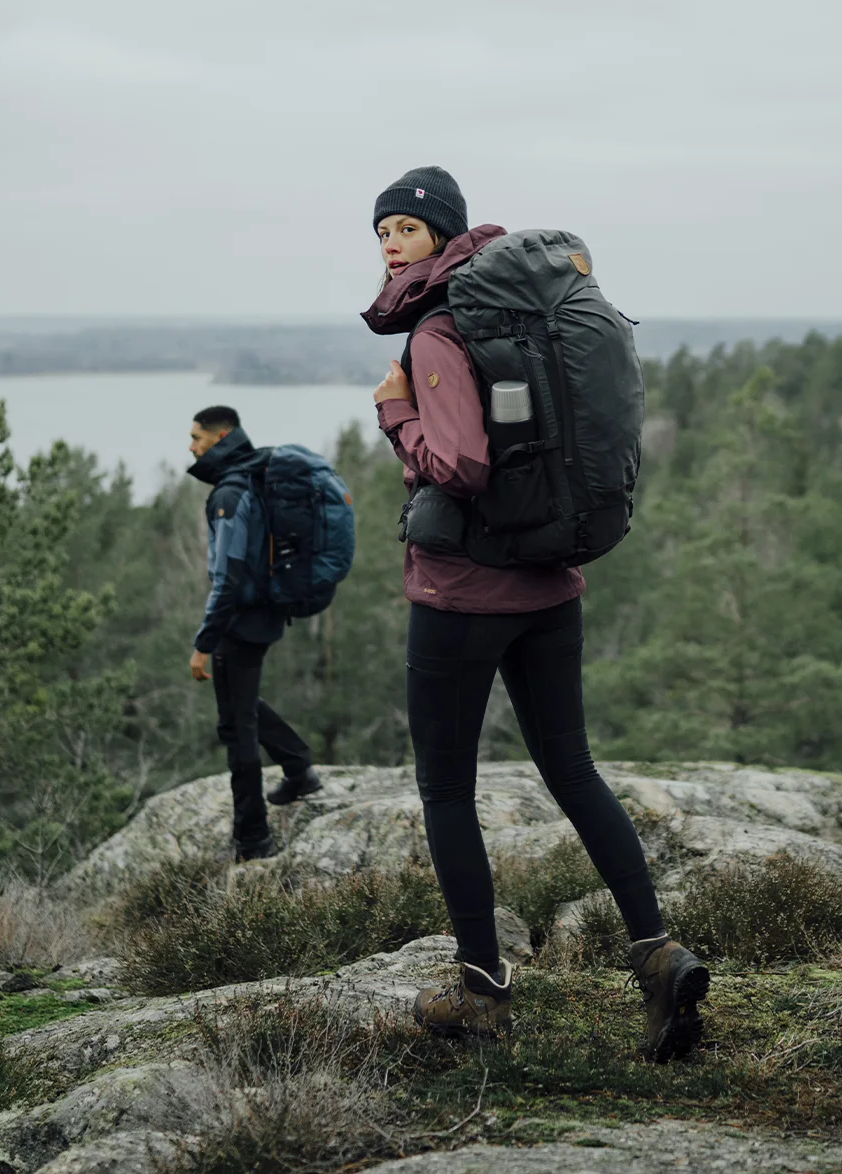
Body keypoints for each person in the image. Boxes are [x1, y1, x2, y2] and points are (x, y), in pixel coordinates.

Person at [360, 166, 710, 1062]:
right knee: (573, 768)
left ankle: (482, 988)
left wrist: (397, 417)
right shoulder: (524, 314)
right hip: (550, 583)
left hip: (463, 595)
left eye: (405, 228)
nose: (391, 244)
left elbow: (462, 463)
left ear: (442, 235)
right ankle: (656, 952)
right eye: (382, 232)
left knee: (445, 787)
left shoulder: (440, 330)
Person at [186, 405, 323, 860]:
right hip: (264, 611)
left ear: (221, 435)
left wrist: (204, 643)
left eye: (197, 439)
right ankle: (299, 768)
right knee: (240, 702)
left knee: (235, 725)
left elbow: (227, 576)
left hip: (240, 620)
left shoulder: (230, 490)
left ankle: (252, 837)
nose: (191, 447)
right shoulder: (256, 471)